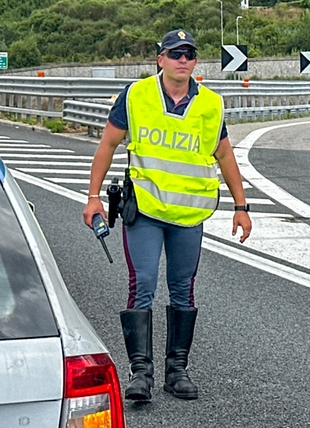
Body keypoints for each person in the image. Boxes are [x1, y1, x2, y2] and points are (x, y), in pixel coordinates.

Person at [83, 29, 253, 403]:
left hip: (189, 214)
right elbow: (108, 145)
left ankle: (177, 371)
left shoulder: (210, 104)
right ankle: (140, 373)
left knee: (183, 288)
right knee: (142, 283)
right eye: (175, 53)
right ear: (159, 59)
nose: (182, 60)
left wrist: (241, 207)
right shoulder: (136, 96)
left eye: (189, 54)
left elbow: (225, 156)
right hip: (144, 209)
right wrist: (93, 197)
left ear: (195, 62)